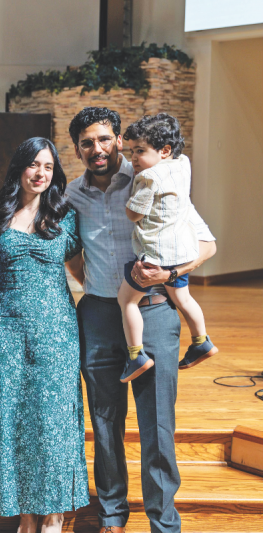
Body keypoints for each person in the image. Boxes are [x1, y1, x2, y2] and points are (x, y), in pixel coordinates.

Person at [64, 107, 216, 533]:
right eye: (87, 142)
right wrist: (94, 284)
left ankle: (163, 522)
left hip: (153, 311)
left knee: (157, 423)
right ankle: (112, 513)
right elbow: (71, 253)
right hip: (98, 315)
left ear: (118, 140)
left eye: (105, 139)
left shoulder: (154, 177)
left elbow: (207, 244)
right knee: (104, 421)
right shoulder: (73, 194)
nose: (97, 149)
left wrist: (170, 275)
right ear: (77, 148)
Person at [0, 137, 88, 533]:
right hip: (5, 328)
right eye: (33, 165)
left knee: (53, 420)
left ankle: (54, 512)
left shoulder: (65, 215)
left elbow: (81, 270)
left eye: (48, 167)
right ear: (19, 167)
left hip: (56, 329)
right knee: (13, 416)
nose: (40, 173)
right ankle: (25, 512)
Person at [117, 113, 218, 381]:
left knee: (127, 300)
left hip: (156, 255)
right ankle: (201, 341)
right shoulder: (182, 164)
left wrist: (129, 201)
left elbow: (134, 214)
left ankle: (136, 355)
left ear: (164, 150)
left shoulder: (148, 177)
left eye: (140, 151)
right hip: (180, 253)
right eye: (131, 151)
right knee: (183, 298)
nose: (133, 158)